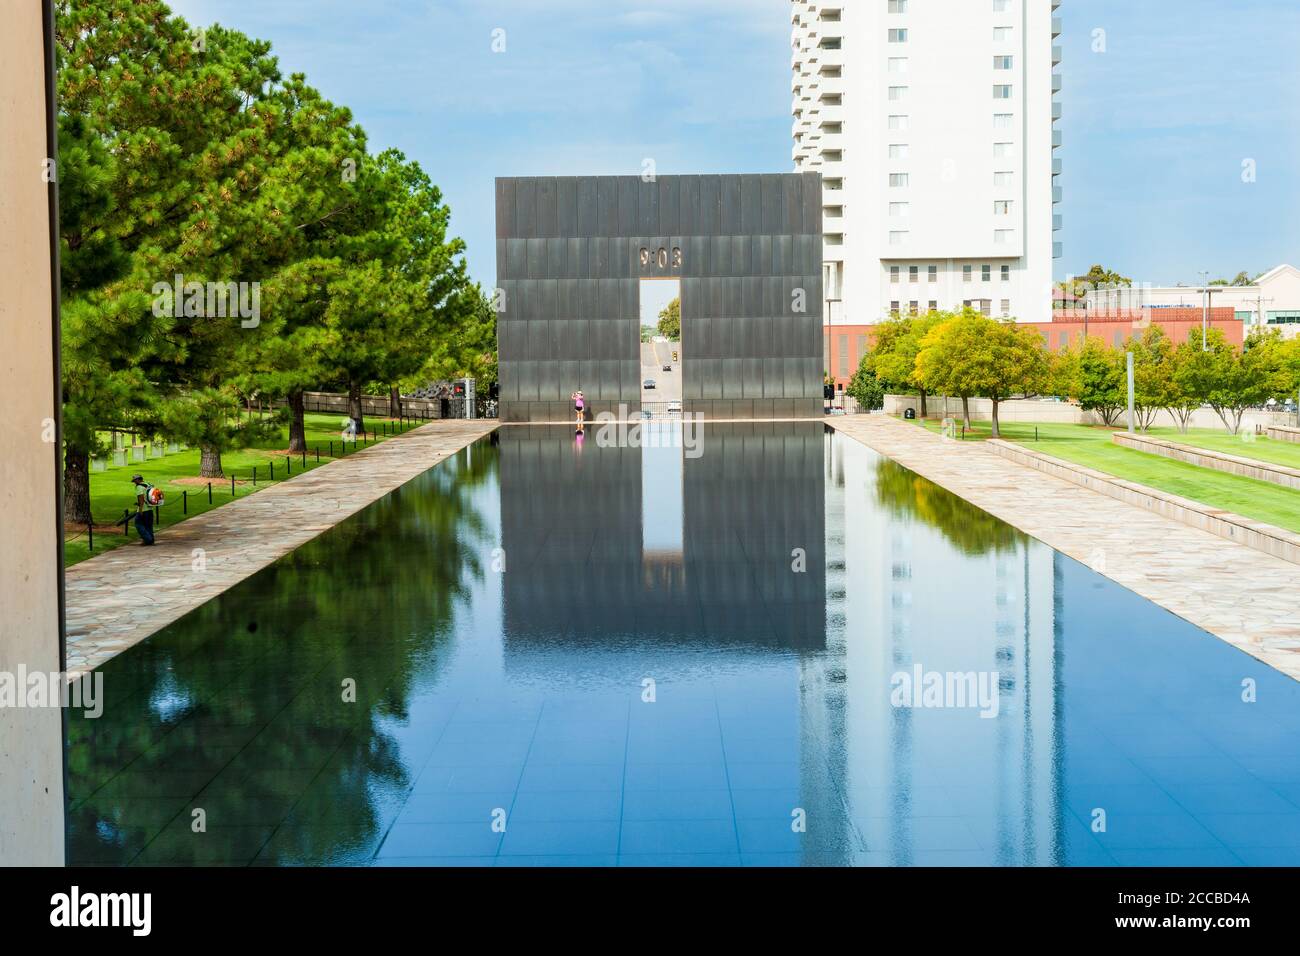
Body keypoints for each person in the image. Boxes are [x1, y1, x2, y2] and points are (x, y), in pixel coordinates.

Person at [130, 474, 156, 546]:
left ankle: (148, 539)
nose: (134, 482)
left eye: (135, 480)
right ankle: (151, 540)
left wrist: (140, 509)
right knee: (148, 525)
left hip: (144, 509)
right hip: (150, 508)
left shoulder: (139, 487)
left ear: (138, 480)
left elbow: (141, 498)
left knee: (138, 524)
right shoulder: (148, 484)